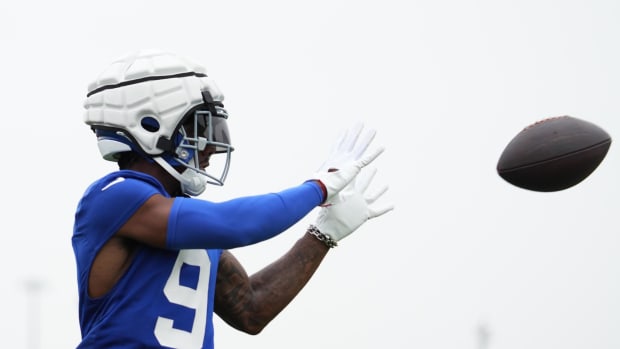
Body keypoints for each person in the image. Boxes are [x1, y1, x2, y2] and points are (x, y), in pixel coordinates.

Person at [72, 49, 393, 349]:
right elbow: (235, 224)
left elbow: (250, 308)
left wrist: (323, 235)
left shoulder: (184, 221)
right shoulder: (115, 195)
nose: (211, 145)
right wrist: (318, 187)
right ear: (149, 126)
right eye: (199, 126)